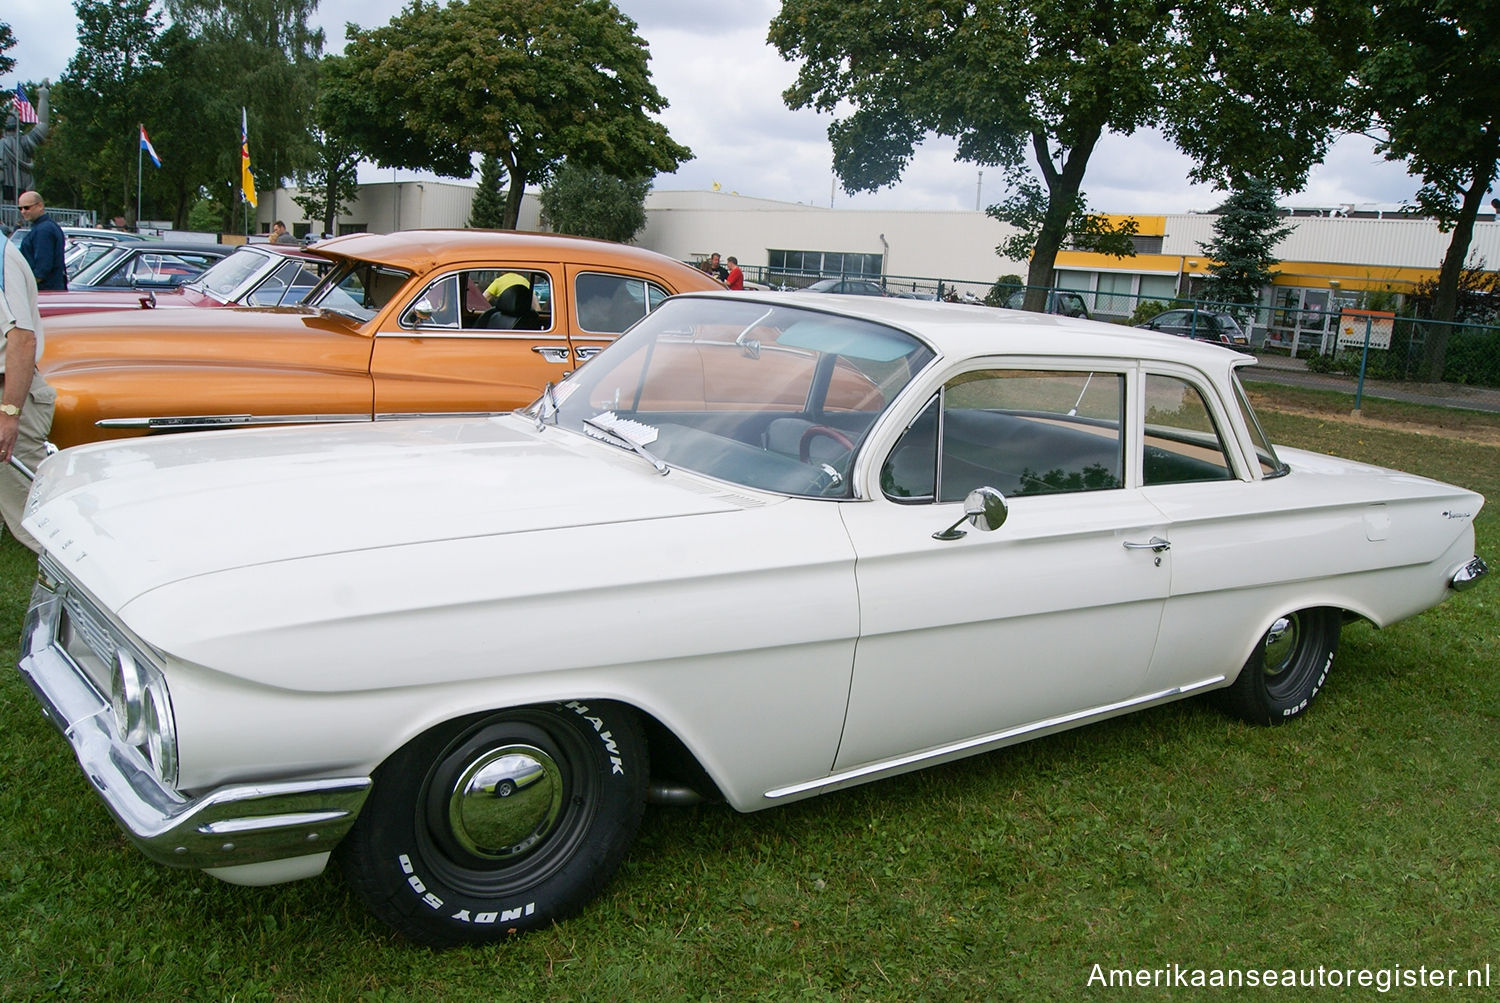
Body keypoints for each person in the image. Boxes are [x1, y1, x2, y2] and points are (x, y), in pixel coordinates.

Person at [0, 228, 56, 553]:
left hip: (10, 391)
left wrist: (9, 414)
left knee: (39, 522)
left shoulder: (3, 258)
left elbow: (21, 338)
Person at [17, 191, 67, 291]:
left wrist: (23, 287)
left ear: (39, 206)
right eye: (20, 208)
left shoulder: (43, 230)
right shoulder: (45, 227)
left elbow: (42, 269)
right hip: (50, 290)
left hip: (45, 291)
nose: (23, 211)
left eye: (27, 207)